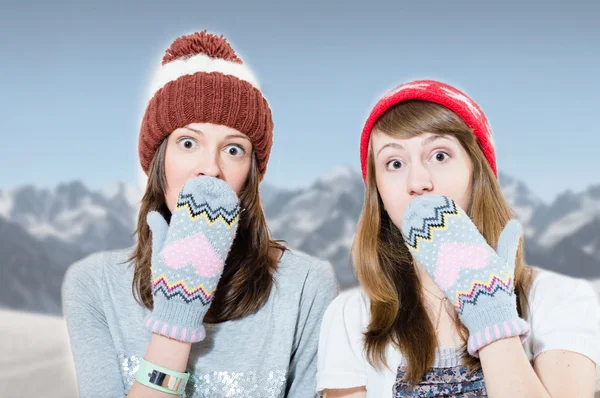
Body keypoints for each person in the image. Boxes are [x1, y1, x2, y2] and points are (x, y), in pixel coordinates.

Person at [62, 30, 338, 398]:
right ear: (158, 160)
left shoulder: (307, 285)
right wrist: (176, 316)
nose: (210, 168)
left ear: (252, 174)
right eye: (188, 142)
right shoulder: (94, 286)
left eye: (234, 149)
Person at [317, 80, 600, 397]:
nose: (418, 182)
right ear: (378, 191)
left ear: (477, 170)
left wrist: (491, 315)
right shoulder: (351, 315)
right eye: (394, 163)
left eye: (439, 156)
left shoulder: (559, 298)